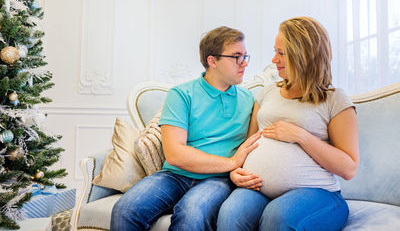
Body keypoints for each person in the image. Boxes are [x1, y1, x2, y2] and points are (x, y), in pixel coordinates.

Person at [110, 26, 261, 231]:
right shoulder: (181, 94)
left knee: (191, 214)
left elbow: (250, 148)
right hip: (174, 175)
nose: (244, 63)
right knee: (125, 210)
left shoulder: (249, 100)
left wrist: (234, 168)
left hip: (218, 180)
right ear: (212, 61)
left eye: (245, 56)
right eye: (236, 56)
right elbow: (175, 154)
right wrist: (231, 162)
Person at [217, 17, 359, 231]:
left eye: (282, 53)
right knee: (230, 215)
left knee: (278, 218)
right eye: (275, 51)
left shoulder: (335, 99)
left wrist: (301, 136)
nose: (274, 59)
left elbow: (348, 168)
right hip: (258, 189)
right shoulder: (267, 92)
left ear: (305, 55)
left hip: (318, 193)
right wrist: (235, 170)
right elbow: (248, 143)